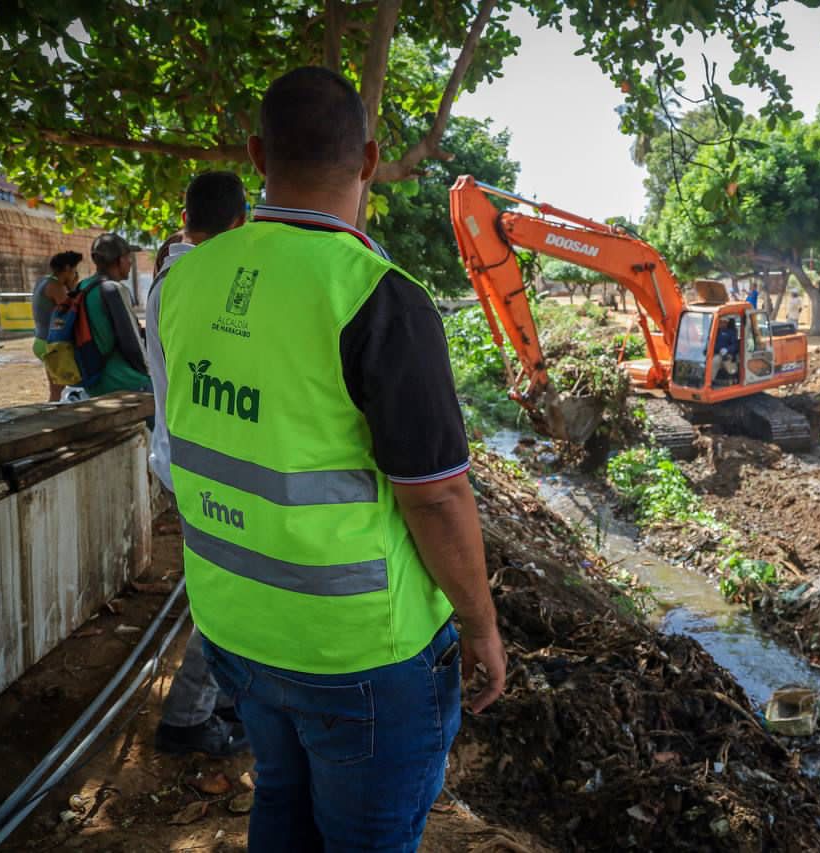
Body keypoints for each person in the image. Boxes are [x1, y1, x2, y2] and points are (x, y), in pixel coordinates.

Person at [158, 67, 504, 851]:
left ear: (256, 155)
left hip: (233, 625)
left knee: (280, 798)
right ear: (372, 160)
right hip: (358, 656)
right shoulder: (381, 298)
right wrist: (481, 625)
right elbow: (439, 497)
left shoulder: (183, 282)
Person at [149, 173, 250, 758]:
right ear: (240, 223)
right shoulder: (201, 279)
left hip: (183, 459)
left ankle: (224, 696)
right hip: (203, 465)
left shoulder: (171, 274)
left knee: (224, 586)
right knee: (227, 594)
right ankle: (186, 716)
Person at [79, 233, 151, 394]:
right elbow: (131, 341)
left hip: (94, 381)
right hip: (124, 380)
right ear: (119, 260)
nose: (131, 263)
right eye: (128, 257)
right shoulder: (113, 289)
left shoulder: (83, 286)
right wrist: (148, 372)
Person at [31, 251, 82, 401]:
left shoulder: (43, 280)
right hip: (52, 345)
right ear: (67, 268)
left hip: (40, 341)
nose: (75, 275)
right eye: (74, 271)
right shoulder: (56, 286)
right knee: (57, 392)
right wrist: (72, 287)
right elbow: (71, 312)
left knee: (56, 390)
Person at [713, 316, 741, 385]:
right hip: (715, 352)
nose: (721, 324)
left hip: (727, 354)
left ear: (727, 323)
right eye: (720, 322)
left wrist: (727, 349)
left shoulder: (731, 333)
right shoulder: (715, 332)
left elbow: (735, 345)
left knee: (717, 360)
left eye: (724, 322)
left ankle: (710, 380)